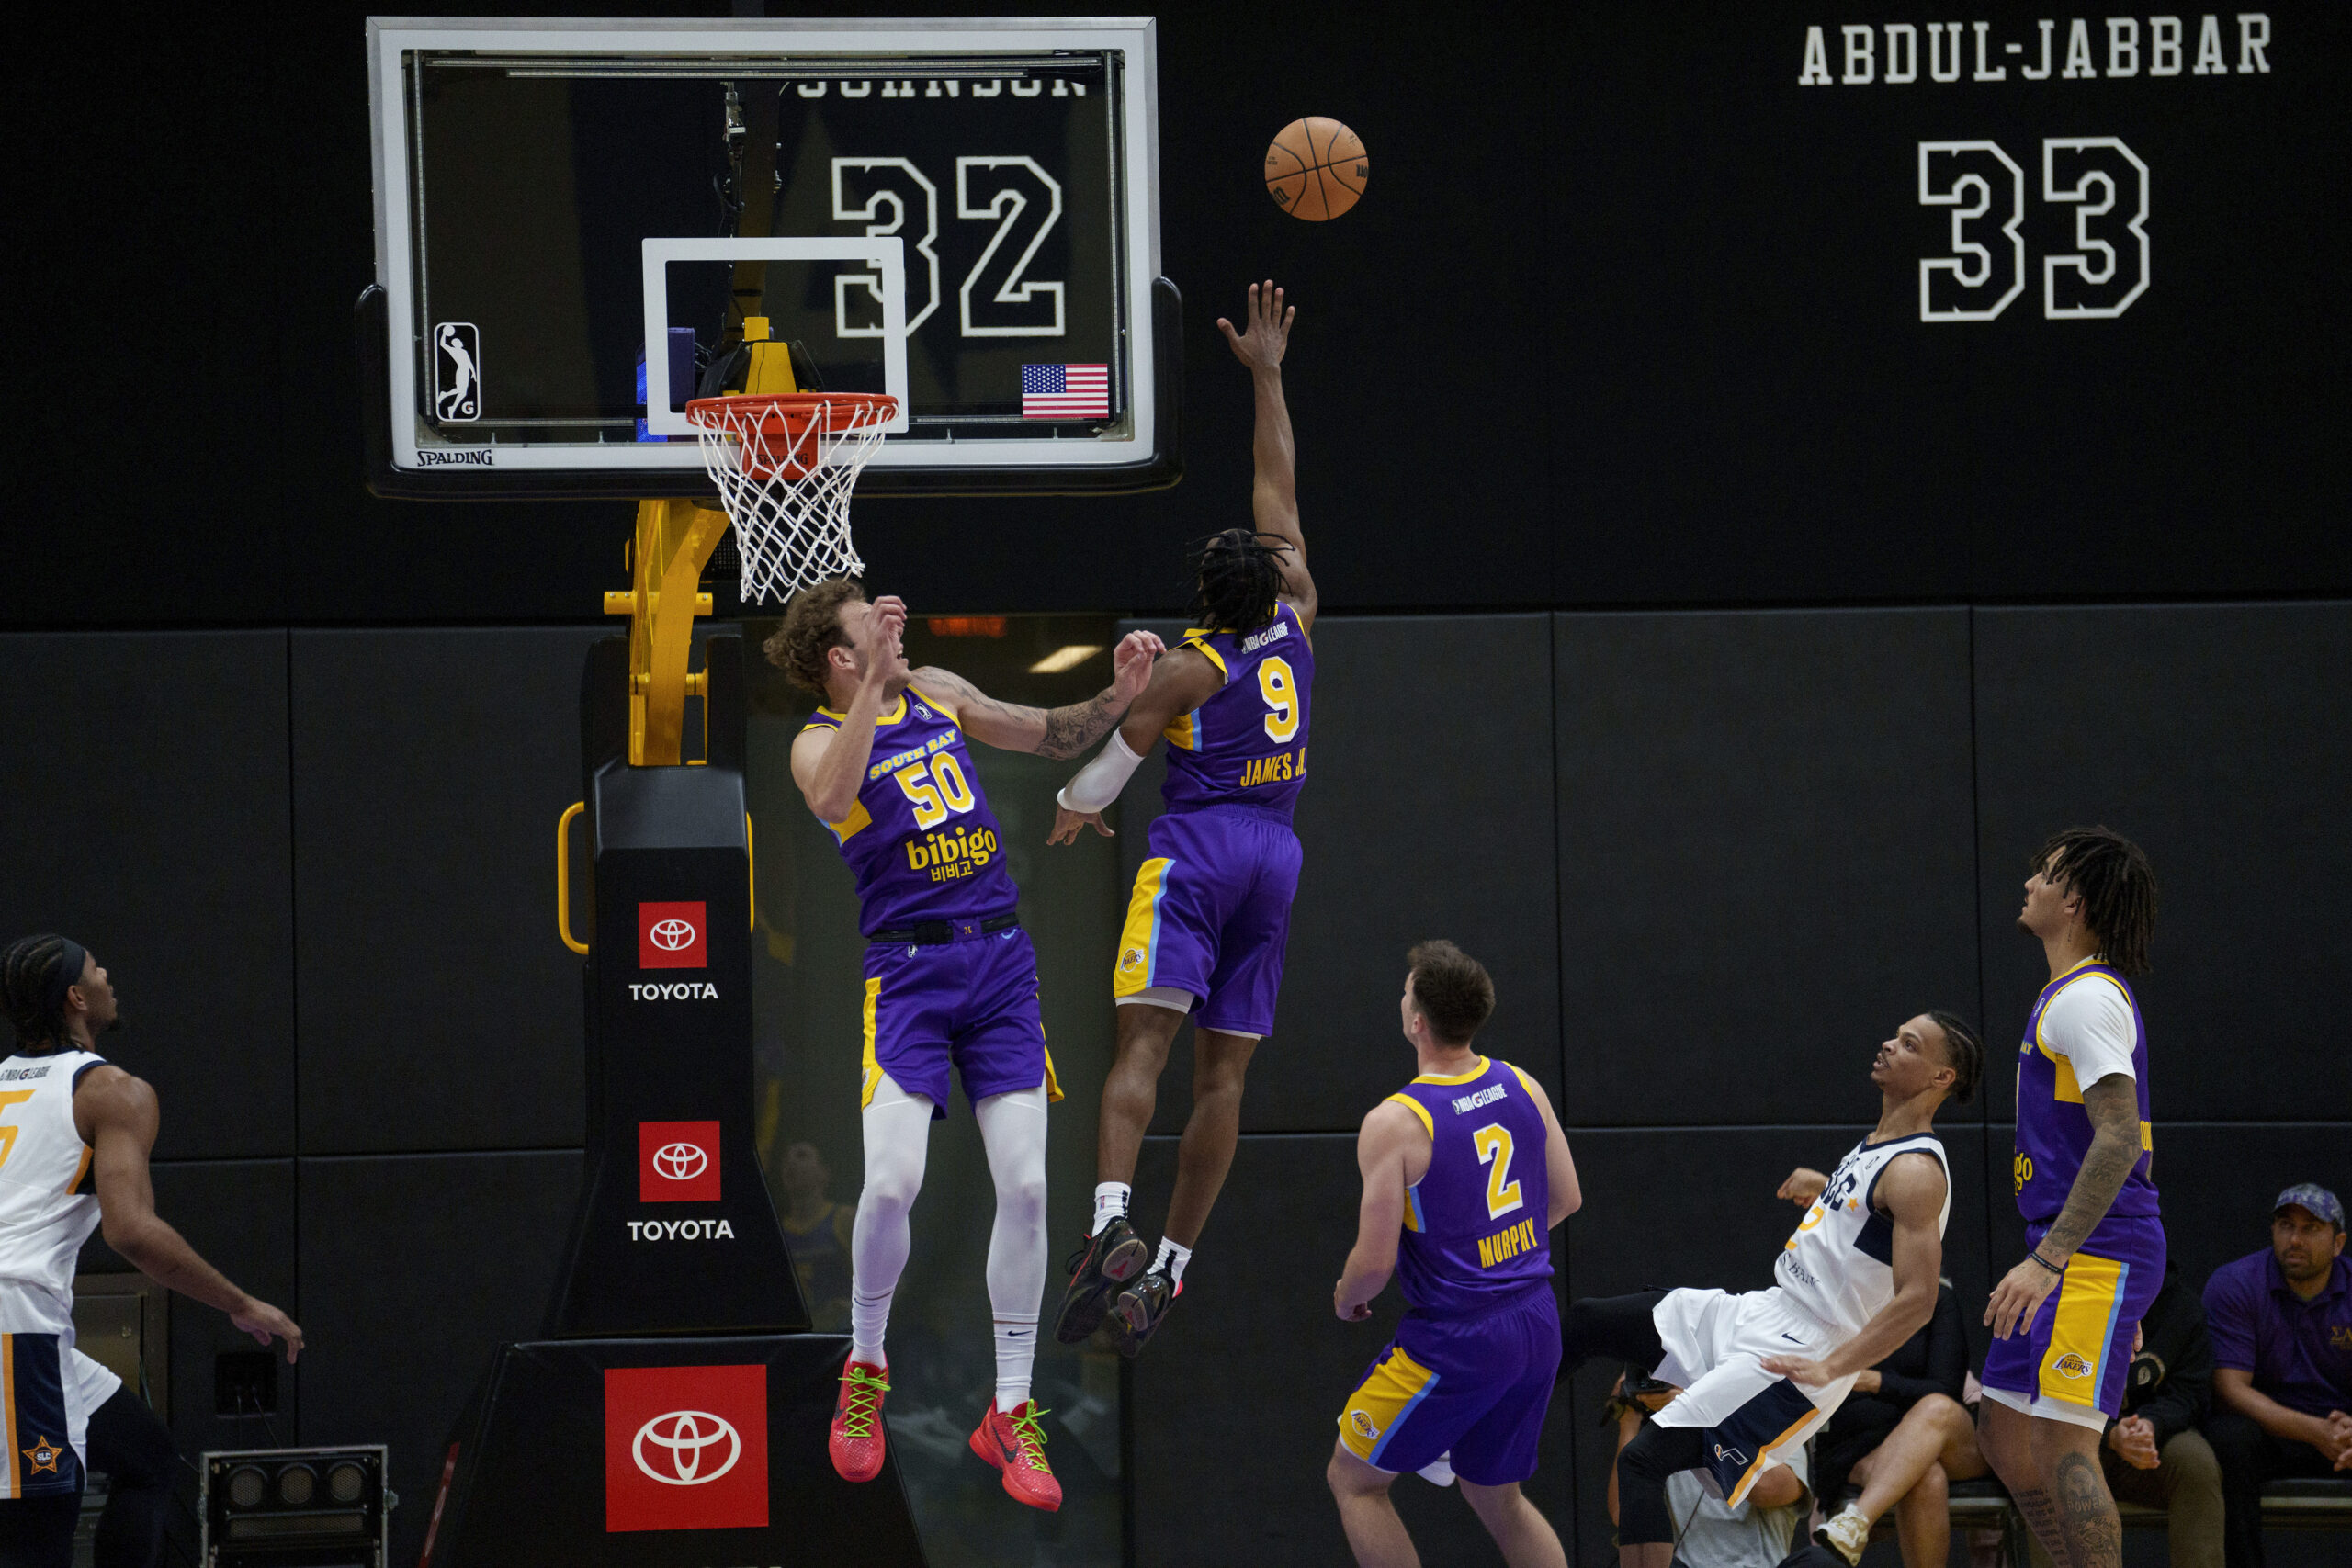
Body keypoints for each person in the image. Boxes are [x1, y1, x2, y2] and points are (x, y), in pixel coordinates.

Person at [772, 581, 1161, 1511]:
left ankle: (1009, 1410)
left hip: (997, 964)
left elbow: (1046, 730)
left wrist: (1120, 692)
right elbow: (831, 796)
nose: (891, 630)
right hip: (907, 978)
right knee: (892, 1184)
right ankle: (864, 1373)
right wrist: (877, 681)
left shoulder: (938, 690)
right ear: (838, 658)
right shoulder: (818, 741)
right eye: (872, 627)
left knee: (1027, 1188)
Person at [1050, 279, 1317, 1358]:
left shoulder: (1186, 669)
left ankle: (1112, 1223)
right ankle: (1171, 1267)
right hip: (1278, 857)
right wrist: (1268, 376)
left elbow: (1102, 773)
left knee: (1141, 1048)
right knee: (1225, 1076)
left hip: (1201, 851)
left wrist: (1072, 812)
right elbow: (1276, 484)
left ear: (1205, 597)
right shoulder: (1297, 616)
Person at [1559, 1011, 1982, 1568]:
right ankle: (1482, 1419)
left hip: (1804, 1347)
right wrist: (1827, 1187)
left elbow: (1918, 1299)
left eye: (1909, 1045)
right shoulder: (1880, 1144)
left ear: (1941, 1078)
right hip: (1764, 1309)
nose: (1887, 1045)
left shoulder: (1918, 1172)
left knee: (1642, 1461)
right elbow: (1867, 1222)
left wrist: (1835, 1368)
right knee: (1588, 1319)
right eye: (1894, 1035)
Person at [0, 936, 302, 1568]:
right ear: (77, 998)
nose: (110, 973)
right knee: (38, 1531)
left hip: (29, 1328)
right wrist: (241, 1302)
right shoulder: (113, 1091)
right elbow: (131, 1231)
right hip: (16, 1323)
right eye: (96, 967)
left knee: (148, 1455)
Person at [1324, 942, 1578, 1568]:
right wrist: (1494, 1255)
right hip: (1537, 1320)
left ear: (1417, 1020)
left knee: (1354, 1479)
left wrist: (1346, 1295)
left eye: (1406, 991)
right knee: (1500, 1498)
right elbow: (1567, 1197)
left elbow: (1375, 1263)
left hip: (1459, 1338)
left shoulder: (1397, 1120)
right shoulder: (1523, 1083)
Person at [1979, 827, 2165, 1568]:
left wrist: (2057, 1259)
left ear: (2075, 900)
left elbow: (2120, 1137)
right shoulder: (2069, 995)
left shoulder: (2087, 998)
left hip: (2089, 1249)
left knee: (2062, 1443)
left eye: (2046, 873)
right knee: (2000, 1428)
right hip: (2079, 1247)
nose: (2030, 883)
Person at [2011, 1259, 2223, 1568]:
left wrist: (2151, 1425)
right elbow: (2039, 1390)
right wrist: (2110, 1434)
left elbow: (2190, 1393)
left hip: (2149, 1448)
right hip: (2071, 1439)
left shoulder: (2181, 1307)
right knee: (2041, 1464)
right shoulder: (2059, 1296)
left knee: (2196, 1462)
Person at [2200, 1182, 2352, 1568]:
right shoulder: (2236, 1284)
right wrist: (2316, 1432)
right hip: (2273, 1433)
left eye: (2311, 1228)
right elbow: (2230, 1389)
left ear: (2338, 1243)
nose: (2295, 1239)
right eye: (2286, 1226)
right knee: (2228, 1438)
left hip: (2345, 1433)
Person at [1807, 1279, 1988, 1567]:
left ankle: (1857, 1520)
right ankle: (1852, 1525)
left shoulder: (1938, 1299)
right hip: (1863, 1446)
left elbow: (1945, 1389)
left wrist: (1874, 1382)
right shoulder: (1837, 1303)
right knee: (1925, 1476)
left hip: (1947, 1436)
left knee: (1936, 1407)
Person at [1604, 1372, 1809, 1568]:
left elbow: (1769, 1490)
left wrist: (1697, 1411)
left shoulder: (1773, 1426)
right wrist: (1629, 1419)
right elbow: (1625, 1515)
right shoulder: (1663, 1436)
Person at [775, 1141, 855, 1333]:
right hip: (797, 1340)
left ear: (824, 1173)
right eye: (786, 1159)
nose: (790, 1163)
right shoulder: (776, 1231)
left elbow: (892, 1280)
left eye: (801, 1156)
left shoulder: (846, 1219)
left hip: (841, 1339)